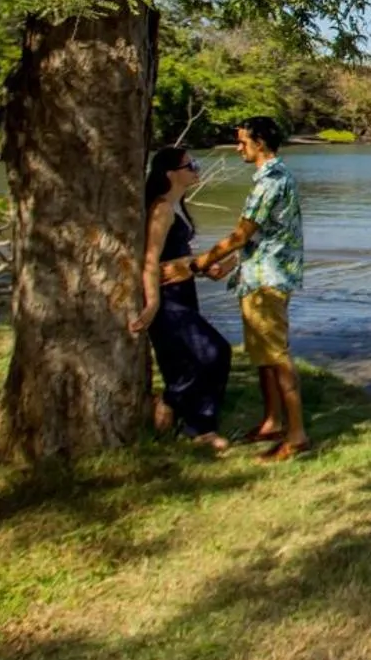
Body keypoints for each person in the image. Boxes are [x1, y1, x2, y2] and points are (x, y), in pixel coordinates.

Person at [191, 116, 309, 461]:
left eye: (242, 142)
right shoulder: (273, 177)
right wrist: (228, 265)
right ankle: (272, 422)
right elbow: (261, 235)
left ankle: (297, 433)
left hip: (268, 279)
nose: (238, 147)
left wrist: (201, 261)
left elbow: (242, 234)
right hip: (258, 273)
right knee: (262, 356)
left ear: (260, 143)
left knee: (276, 356)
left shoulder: (271, 180)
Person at [131, 146, 233, 450]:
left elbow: (176, 257)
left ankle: (195, 427)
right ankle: (177, 405)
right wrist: (152, 303)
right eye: (191, 165)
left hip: (182, 292)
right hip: (168, 297)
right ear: (170, 173)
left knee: (185, 360)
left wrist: (203, 267)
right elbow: (151, 259)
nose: (197, 170)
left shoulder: (179, 204)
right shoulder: (162, 207)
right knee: (215, 352)